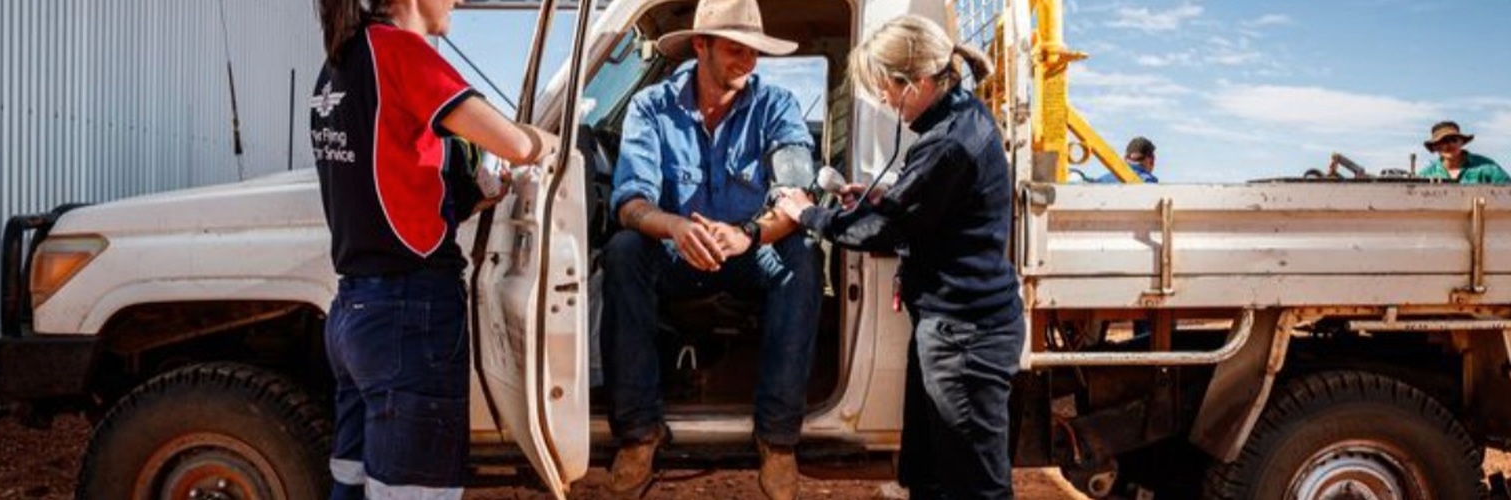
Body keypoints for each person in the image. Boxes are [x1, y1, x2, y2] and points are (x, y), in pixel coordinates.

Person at [309, 0, 559, 498]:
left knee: (353, 483)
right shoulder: (401, 50)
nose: (458, 1)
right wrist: (550, 142)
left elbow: (387, 182)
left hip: (355, 314)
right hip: (410, 313)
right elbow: (512, 143)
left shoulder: (338, 62)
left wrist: (473, 192)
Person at [775, 14, 1024, 500]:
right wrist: (885, 194)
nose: (885, 100)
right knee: (929, 472)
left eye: (885, 87)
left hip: (965, 337)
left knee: (976, 487)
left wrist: (808, 215)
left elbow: (884, 229)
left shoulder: (948, 143)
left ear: (917, 82)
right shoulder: (961, 120)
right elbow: (931, 205)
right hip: (957, 327)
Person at [599, 0, 820, 498]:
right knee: (624, 252)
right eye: (736, 50)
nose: (748, 62)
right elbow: (630, 202)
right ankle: (638, 434)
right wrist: (675, 227)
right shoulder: (650, 107)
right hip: (676, 253)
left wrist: (749, 233)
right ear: (700, 46)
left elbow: (796, 195)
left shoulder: (776, 105)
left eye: (754, 52)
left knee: (802, 258)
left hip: (748, 250)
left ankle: (778, 438)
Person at [1417, 121, 1509, 184]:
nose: (1450, 145)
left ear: (1462, 142)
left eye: (1454, 140)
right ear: (1434, 147)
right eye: (1443, 141)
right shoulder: (1425, 175)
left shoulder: (1488, 168)